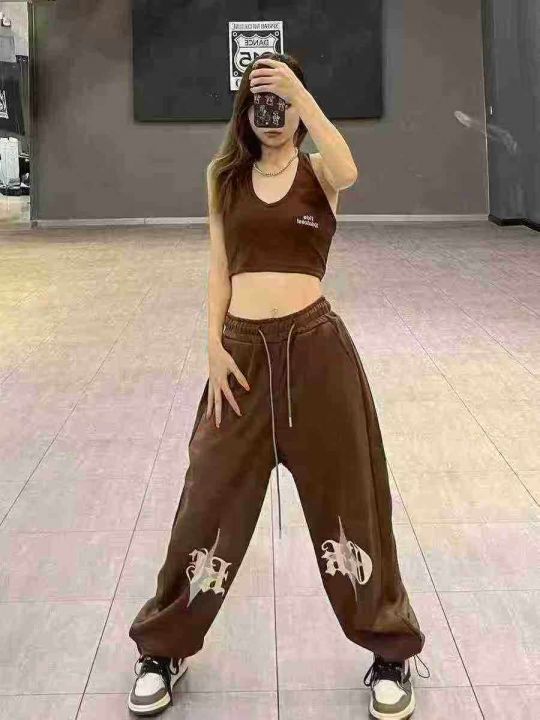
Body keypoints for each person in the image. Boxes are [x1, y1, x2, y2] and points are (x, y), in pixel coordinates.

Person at [127, 51, 430, 719]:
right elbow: (219, 267)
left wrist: (301, 92)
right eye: (261, 100)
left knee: (351, 502)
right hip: (240, 357)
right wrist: (212, 346)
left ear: (297, 107)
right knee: (206, 500)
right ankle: (164, 647)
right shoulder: (224, 177)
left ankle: (389, 652)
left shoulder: (320, 172)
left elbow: (350, 169)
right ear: (245, 110)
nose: (272, 114)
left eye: (283, 101)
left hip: (316, 353)